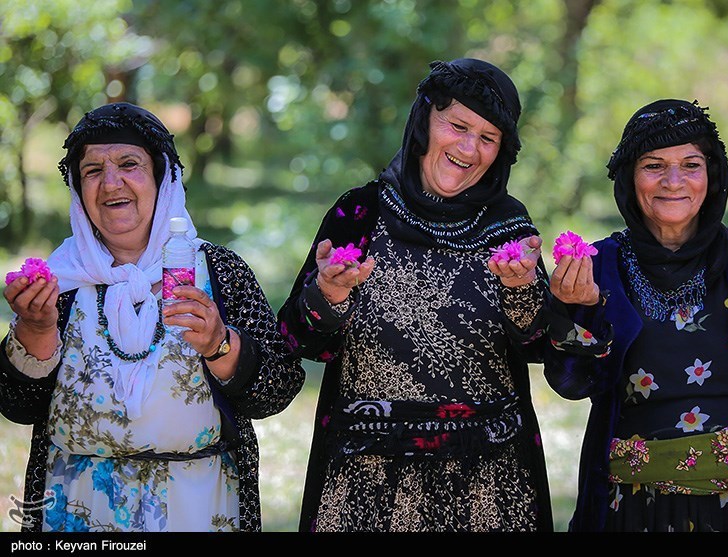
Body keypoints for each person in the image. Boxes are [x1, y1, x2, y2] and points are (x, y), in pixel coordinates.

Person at [0, 102, 305, 532]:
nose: (111, 183)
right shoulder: (59, 281)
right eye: (92, 171)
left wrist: (221, 344)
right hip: (76, 510)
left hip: (196, 506)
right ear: (76, 188)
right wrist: (35, 328)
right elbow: (17, 405)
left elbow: (277, 391)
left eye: (129, 164)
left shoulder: (218, 272)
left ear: (163, 178)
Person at [278, 58, 554, 532]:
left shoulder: (509, 228)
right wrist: (328, 294)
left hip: (488, 483)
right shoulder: (360, 213)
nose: (469, 148)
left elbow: (539, 346)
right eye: (458, 125)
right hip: (365, 482)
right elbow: (300, 341)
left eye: (488, 138)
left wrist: (521, 290)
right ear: (425, 119)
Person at [545, 98, 728, 532]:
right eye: (654, 166)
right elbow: (572, 383)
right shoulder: (600, 262)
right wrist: (578, 309)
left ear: (712, 174)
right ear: (629, 177)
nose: (674, 181)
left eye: (691, 165)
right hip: (641, 507)